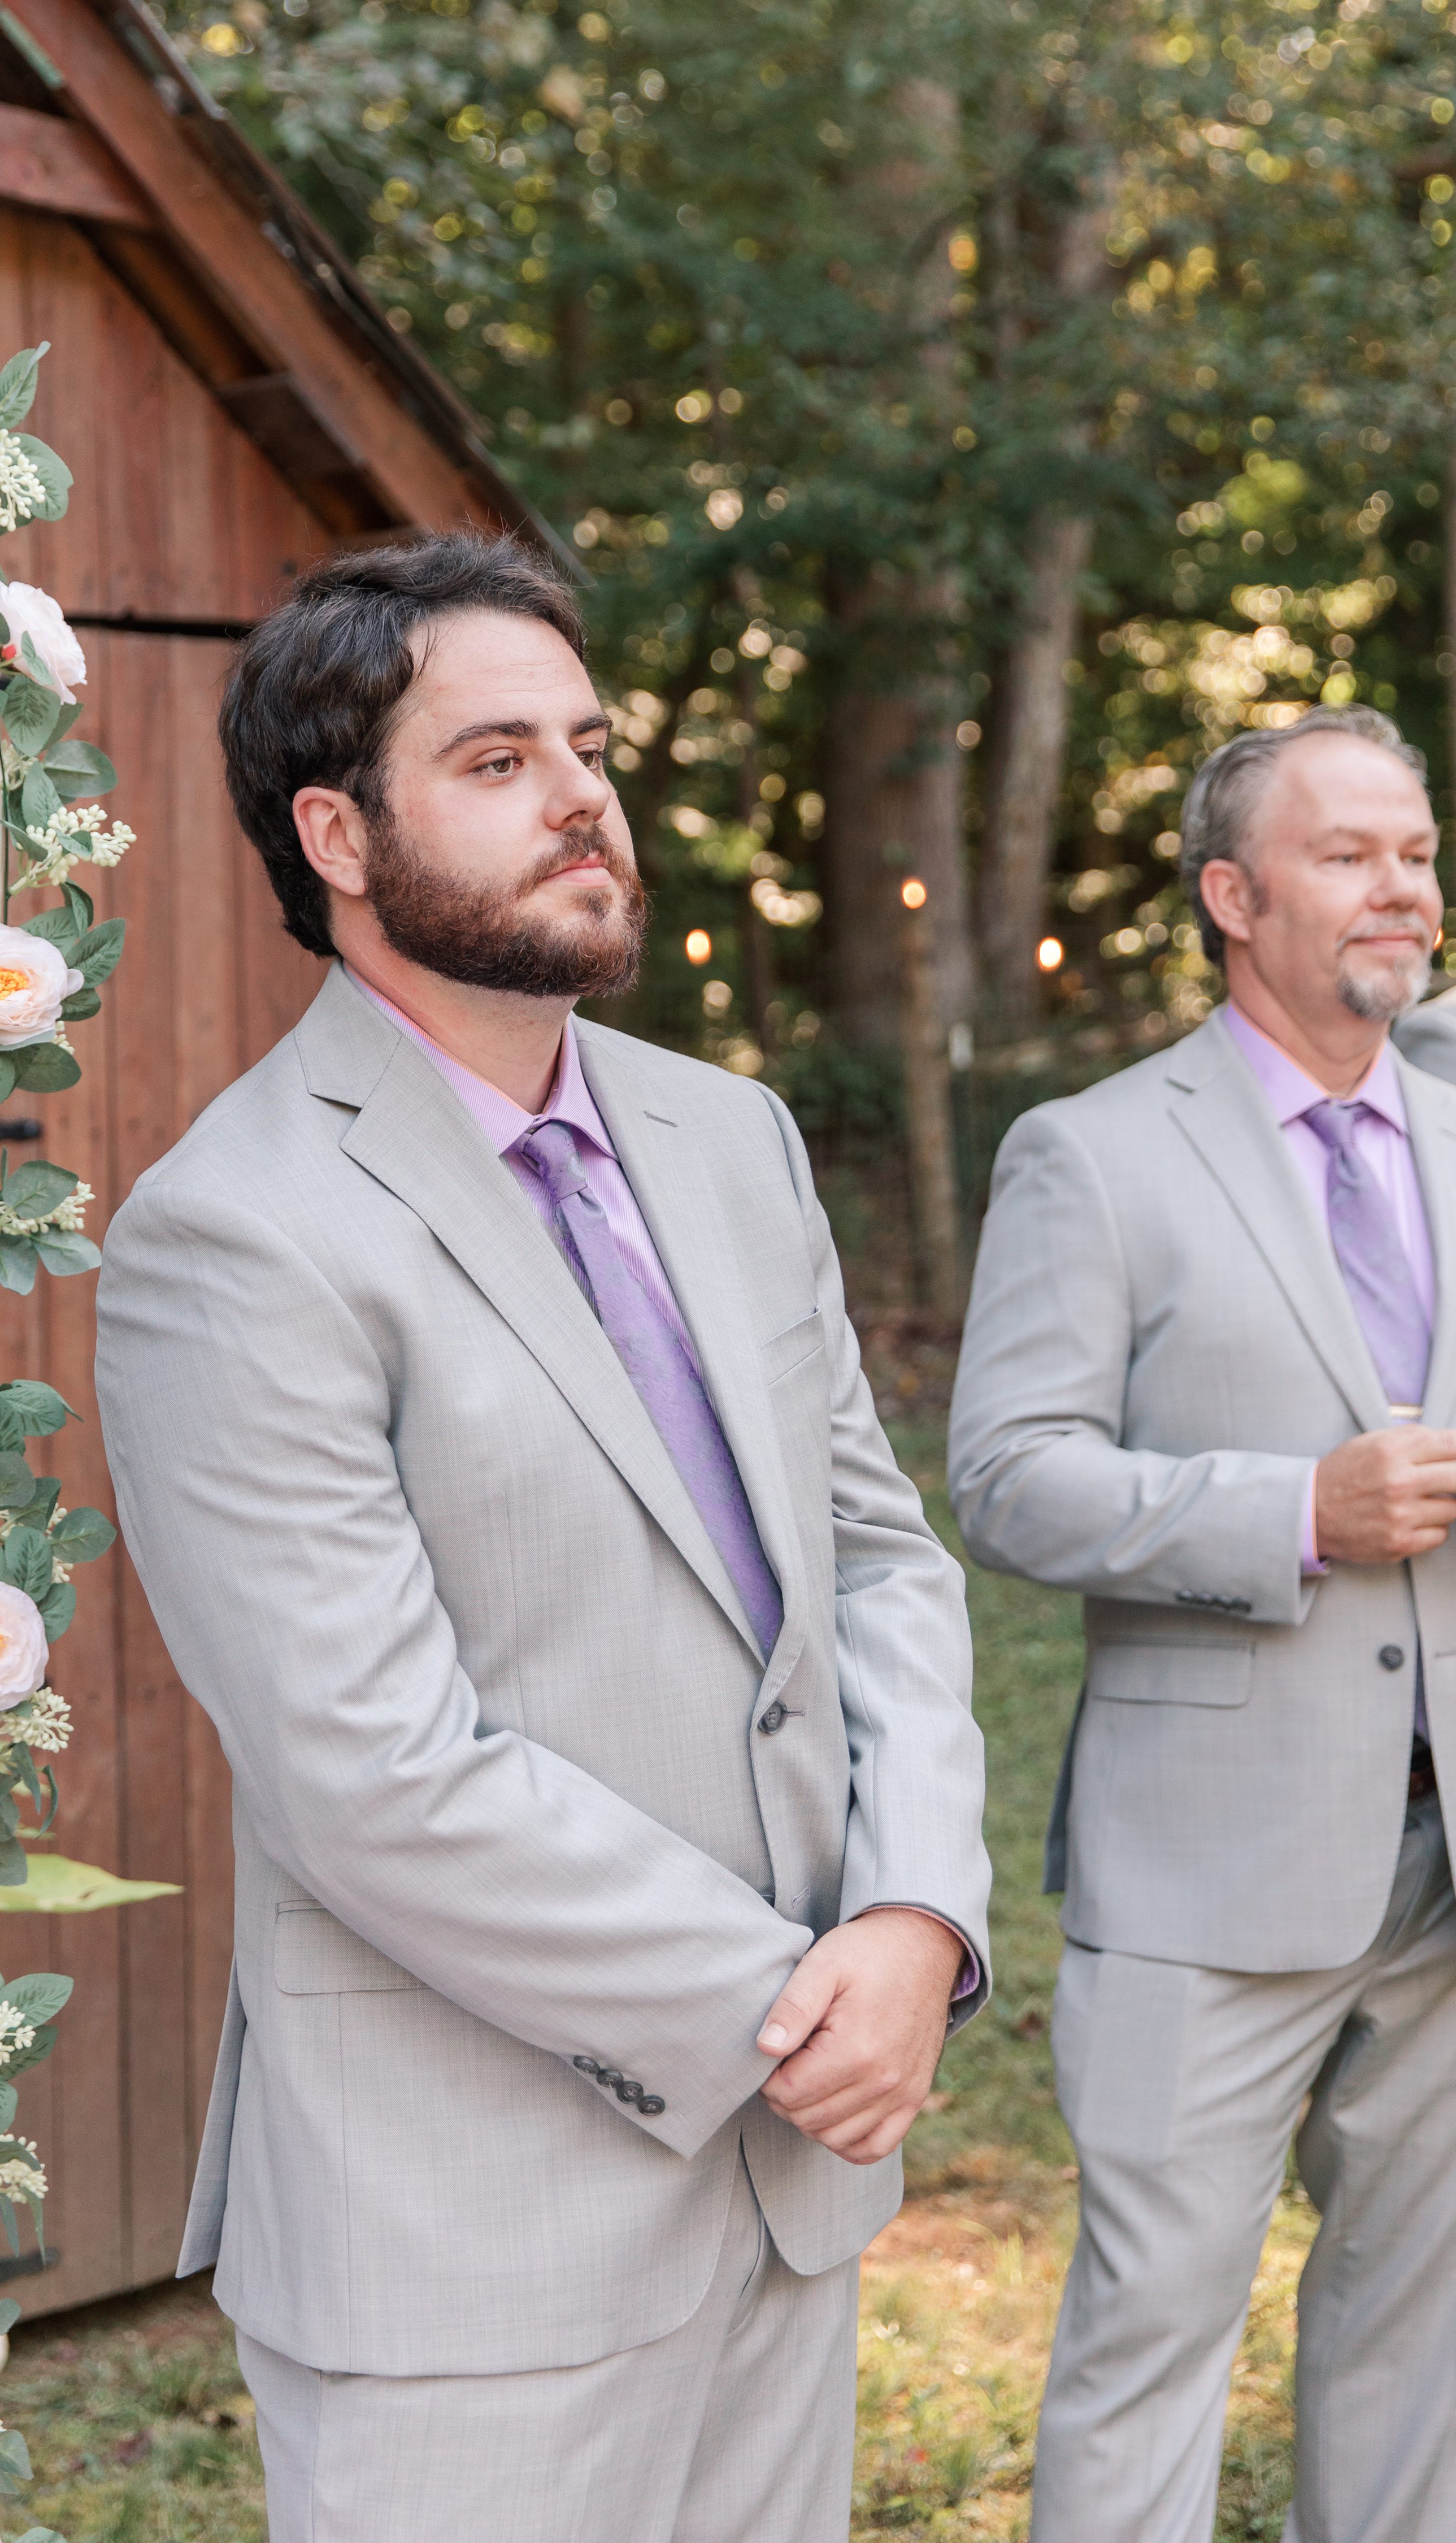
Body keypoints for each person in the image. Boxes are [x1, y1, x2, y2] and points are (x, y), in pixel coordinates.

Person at [95, 533, 990, 2543]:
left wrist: (922, 1922)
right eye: (497, 759)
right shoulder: (235, 1234)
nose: (585, 794)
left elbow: (881, 1565)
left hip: (792, 2198)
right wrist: (798, 2005)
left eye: (586, 744)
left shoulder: (728, 1138)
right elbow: (370, 1774)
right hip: (465, 2236)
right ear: (336, 831)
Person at [949, 702, 1456, 2543]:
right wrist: (1289, 1510)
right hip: (1209, 1870)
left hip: (1447, 1868)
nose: (1400, 885)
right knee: (1152, 2345)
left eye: (1413, 850)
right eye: (1350, 854)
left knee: (1422, 2347)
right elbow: (1006, 1476)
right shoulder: (1094, 1154)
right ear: (1234, 895)